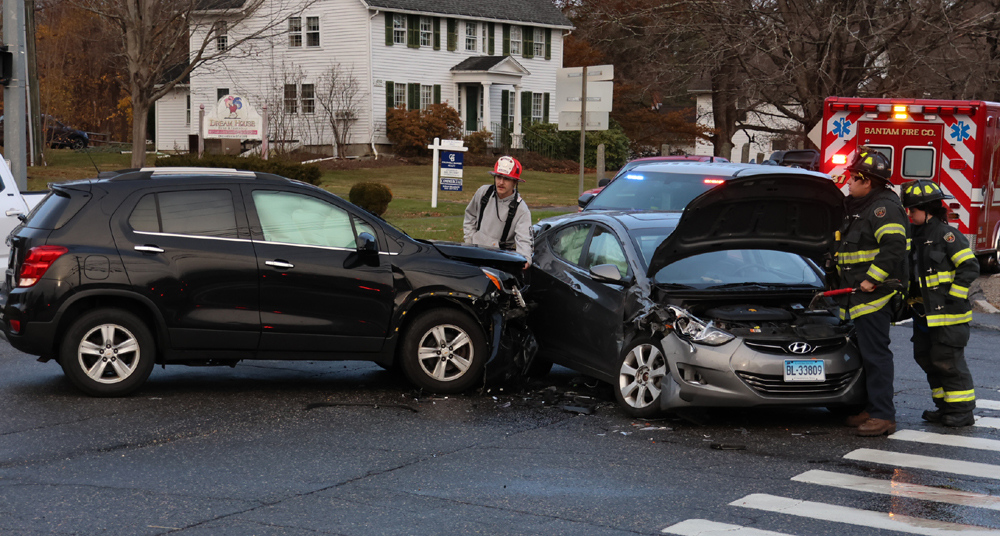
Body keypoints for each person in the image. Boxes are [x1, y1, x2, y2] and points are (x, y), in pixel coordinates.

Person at [835, 148, 909, 436]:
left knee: (876, 356)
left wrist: (870, 280)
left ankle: (883, 415)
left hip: (873, 296)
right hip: (856, 295)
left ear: (867, 181)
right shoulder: (860, 205)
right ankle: (869, 406)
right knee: (866, 354)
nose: (848, 183)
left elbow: (893, 248)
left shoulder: (884, 208)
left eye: (853, 178)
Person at [902, 179, 978, 427]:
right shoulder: (914, 234)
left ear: (928, 209)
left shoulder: (947, 235)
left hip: (948, 315)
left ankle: (962, 411)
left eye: (913, 210)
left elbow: (969, 267)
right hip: (923, 314)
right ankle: (944, 406)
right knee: (926, 358)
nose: (909, 214)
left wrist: (955, 296)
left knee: (948, 362)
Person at [463, 155, 533, 269]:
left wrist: (525, 259)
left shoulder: (522, 210)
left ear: (514, 182)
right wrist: (470, 239)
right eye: (498, 177)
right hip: (474, 252)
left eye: (506, 178)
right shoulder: (483, 192)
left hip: (499, 260)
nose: (501, 182)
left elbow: (524, 238)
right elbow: (470, 216)